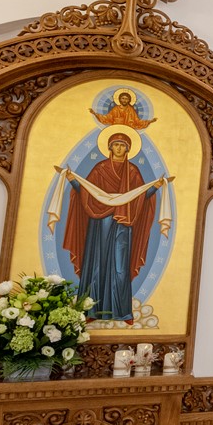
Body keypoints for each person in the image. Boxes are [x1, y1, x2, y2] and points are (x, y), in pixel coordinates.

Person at [59, 130, 164, 324]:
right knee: (96, 264)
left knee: (120, 266)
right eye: (116, 144)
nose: (119, 148)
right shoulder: (100, 169)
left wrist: (155, 187)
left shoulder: (132, 171)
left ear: (128, 149)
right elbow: (86, 192)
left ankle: (122, 312)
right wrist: (73, 180)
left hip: (122, 224)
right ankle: (91, 310)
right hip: (99, 224)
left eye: (123, 145)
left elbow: (140, 197)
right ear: (109, 147)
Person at [89, 89, 154, 130]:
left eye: (126, 99)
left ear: (129, 100)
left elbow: (137, 121)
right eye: (123, 98)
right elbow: (107, 118)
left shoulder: (131, 110)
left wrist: (149, 122)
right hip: (116, 129)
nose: (124, 100)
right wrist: (95, 114)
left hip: (128, 130)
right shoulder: (115, 109)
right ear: (119, 99)